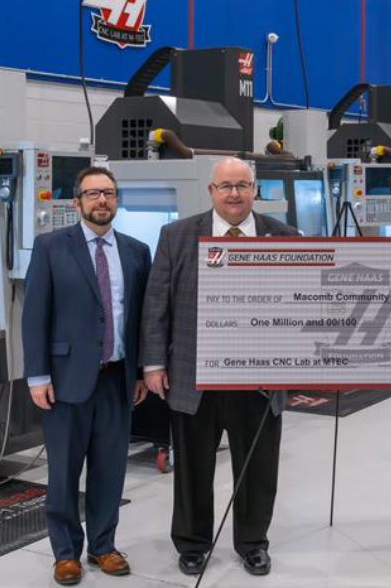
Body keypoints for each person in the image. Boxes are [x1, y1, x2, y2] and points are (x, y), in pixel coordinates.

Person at [140, 157, 302, 577]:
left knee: (258, 465)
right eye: (226, 186)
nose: (234, 194)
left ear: (255, 189)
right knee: (193, 466)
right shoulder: (177, 236)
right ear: (211, 191)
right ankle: (193, 543)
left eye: (242, 186)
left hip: (260, 378)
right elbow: (156, 303)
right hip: (195, 376)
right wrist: (153, 363)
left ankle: (252, 543)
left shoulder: (283, 237)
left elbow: (303, 301)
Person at [20, 166, 153, 586]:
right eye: (93, 193)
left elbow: (140, 319)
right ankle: (65, 553)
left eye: (109, 193)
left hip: (117, 379)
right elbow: (34, 315)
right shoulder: (50, 247)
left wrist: (138, 370)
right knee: (63, 472)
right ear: (76, 202)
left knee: (110, 470)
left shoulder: (136, 251)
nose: (102, 201)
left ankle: (102, 545)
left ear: (117, 200)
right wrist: (37, 375)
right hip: (65, 380)